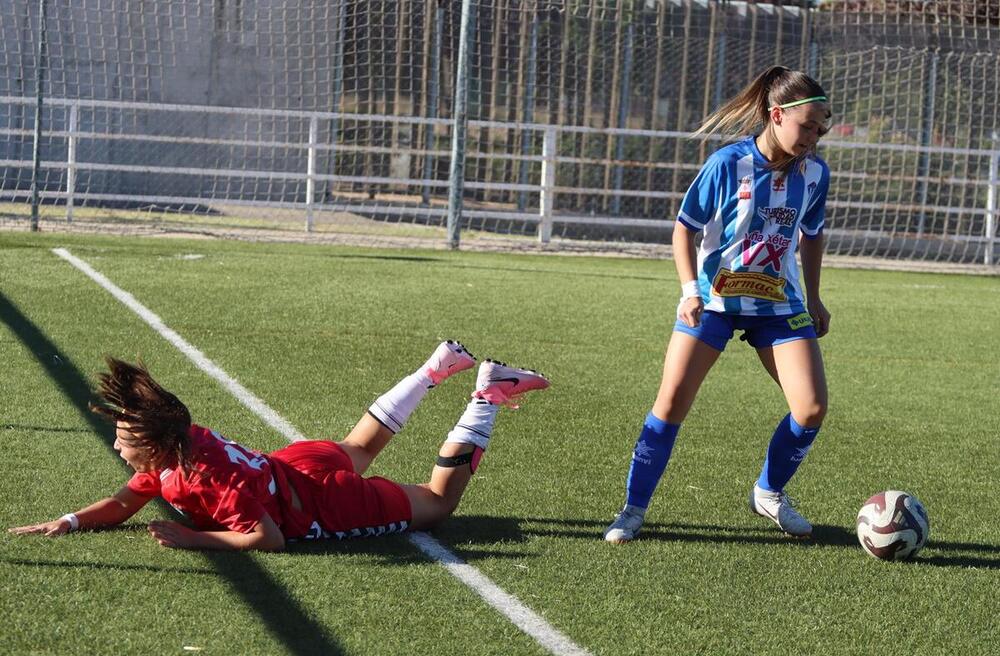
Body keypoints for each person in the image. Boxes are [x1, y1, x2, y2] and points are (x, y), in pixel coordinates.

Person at [10, 341, 549, 550]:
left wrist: (194, 539)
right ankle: (434, 369)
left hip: (319, 503)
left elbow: (266, 540)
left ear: (154, 446)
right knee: (358, 445)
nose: (118, 444)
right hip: (290, 466)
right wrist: (73, 520)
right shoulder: (179, 444)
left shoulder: (207, 480)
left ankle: (487, 393)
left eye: (125, 438)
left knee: (437, 505)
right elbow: (126, 502)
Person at [604, 66, 832, 543]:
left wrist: (814, 298)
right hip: (713, 302)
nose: (813, 137)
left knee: (810, 408)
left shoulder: (815, 173)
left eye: (820, 128)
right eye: (807, 126)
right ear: (775, 116)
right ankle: (632, 510)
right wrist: (689, 292)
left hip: (777, 305)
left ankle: (768, 492)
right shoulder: (728, 164)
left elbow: (812, 236)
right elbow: (684, 228)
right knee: (670, 404)